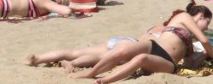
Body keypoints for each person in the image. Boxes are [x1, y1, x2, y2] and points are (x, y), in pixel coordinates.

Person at [69, 0, 213, 82]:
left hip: (167, 61)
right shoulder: (184, 17)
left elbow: (188, 63)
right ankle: (90, 74)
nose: (206, 28)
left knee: (141, 59)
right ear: (200, 16)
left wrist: (204, 56)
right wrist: (212, 54)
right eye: (207, 23)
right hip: (154, 46)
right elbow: (205, 41)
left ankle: (106, 80)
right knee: (123, 52)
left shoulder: (190, 36)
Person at [24, 23, 168, 73]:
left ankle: (38, 58)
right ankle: (72, 63)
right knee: (101, 58)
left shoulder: (159, 26)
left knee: (75, 52)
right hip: (133, 45)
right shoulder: (173, 32)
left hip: (124, 39)